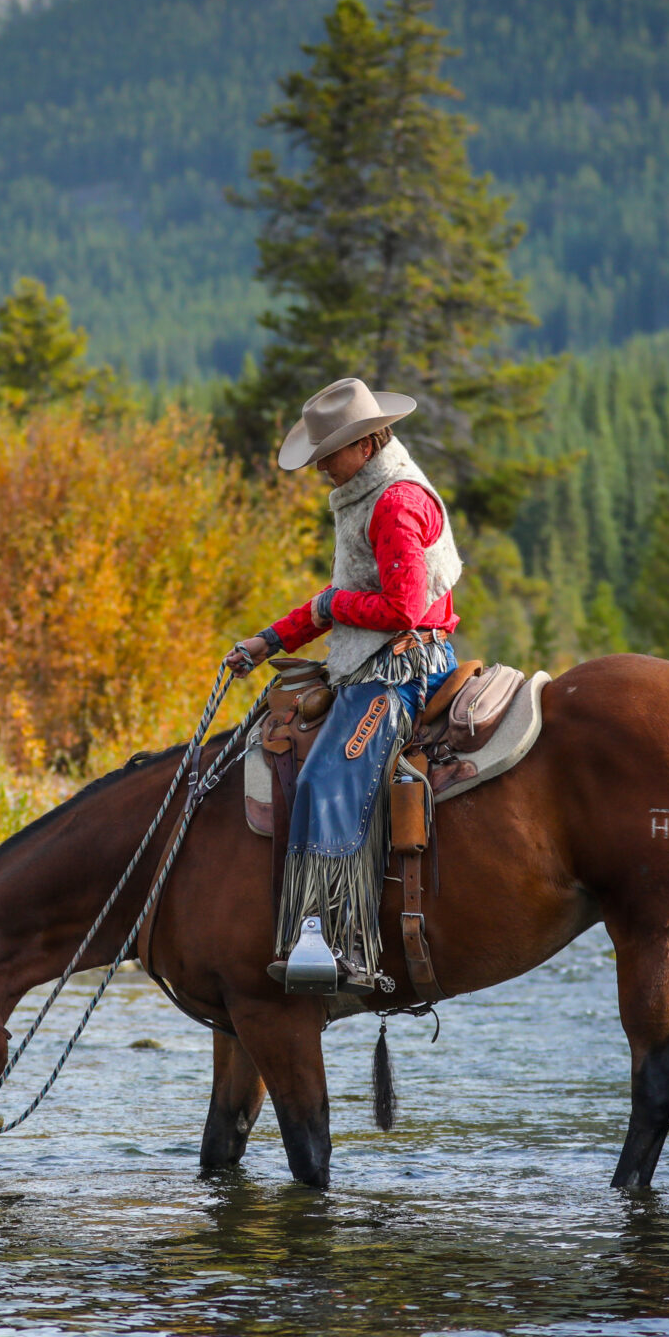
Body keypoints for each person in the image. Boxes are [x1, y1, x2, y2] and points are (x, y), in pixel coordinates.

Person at [226, 377, 461, 985]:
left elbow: (403, 609)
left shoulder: (395, 503)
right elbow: (341, 597)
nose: (322, 466)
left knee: (327, 775)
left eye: (329, 453)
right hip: (370, 659)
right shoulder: (368, 491)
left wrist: (334, 607)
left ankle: (332, 941)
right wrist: (268, 641)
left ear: (364, 443)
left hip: (400, 668)